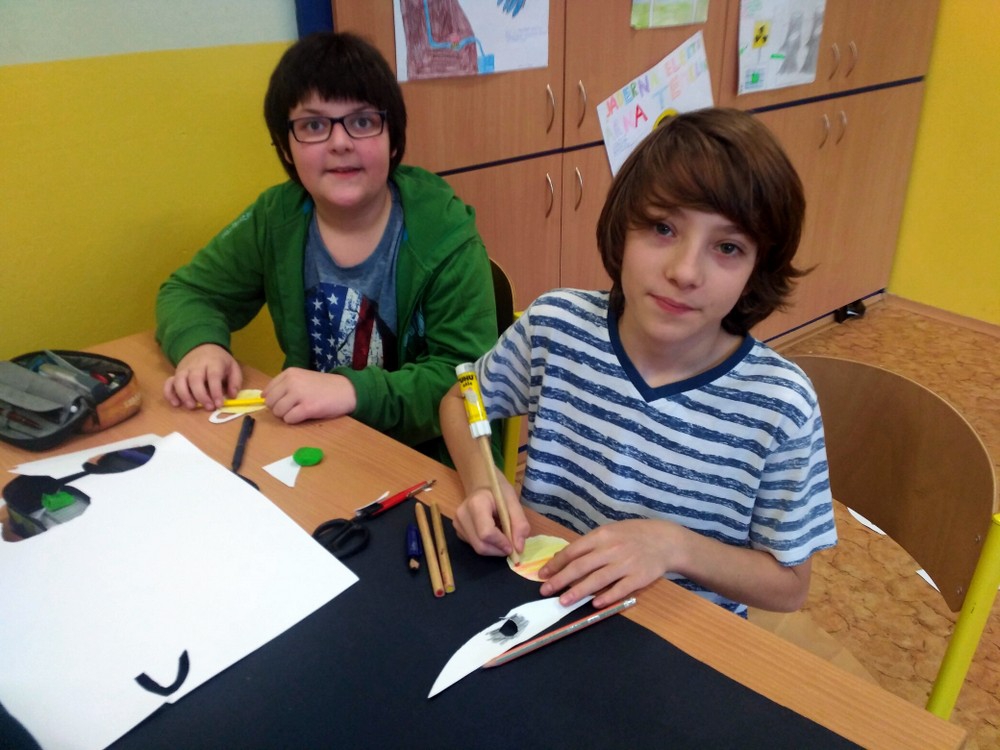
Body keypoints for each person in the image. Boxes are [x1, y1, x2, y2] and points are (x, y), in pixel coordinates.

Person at [440, 108, 837, 616]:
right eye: (663, 228)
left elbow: (789, 586)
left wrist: (674, 546)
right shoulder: (556, 328)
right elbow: (461, 400)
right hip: (543, 602)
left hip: (675, 634)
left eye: (728, 246)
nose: (685, 271)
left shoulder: (780, 405)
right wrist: (482, 483)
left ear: (758, 267)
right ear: (621, 228)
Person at [156, 32, 497, 461]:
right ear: (285, 147)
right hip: (315, 445)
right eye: (314, 125)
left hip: (426, 458)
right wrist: (201, 346)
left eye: (362, 121)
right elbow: (188, 292)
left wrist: (351, 391)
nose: (340, 142)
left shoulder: (445, 234)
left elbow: (466, 380)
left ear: (393, 138)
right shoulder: (276, 218)